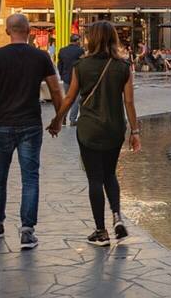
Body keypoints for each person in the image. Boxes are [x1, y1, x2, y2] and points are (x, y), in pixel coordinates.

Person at [0, 13, 64, 251]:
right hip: (30, 124)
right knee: (30, 177)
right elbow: (55, 90)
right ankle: (27, 231)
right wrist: (58, 119)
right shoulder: (41, 56)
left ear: (7, 31)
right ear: (28, 31)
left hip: (1, 124)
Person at [49, 21, 140, 247]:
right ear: (113, 38)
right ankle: (117, 216)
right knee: (110, 174)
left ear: (92, 39)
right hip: (115, 128)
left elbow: (70, 98)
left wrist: (57, 120)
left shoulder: (81, 66)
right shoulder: (123, 66)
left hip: (89, 129)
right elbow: (129, 102)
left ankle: (101, 231)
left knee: (95, 179)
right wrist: (135, 131)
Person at [56, 35, 85, 124]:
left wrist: (62, 75)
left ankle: (63, 118)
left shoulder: (62, 50)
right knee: (76, 99)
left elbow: (59, 65)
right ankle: (72, 119)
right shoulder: (80, 51)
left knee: (67, 98)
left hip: (66, 78)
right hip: (77, 78)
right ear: (77, 41)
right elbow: (82, 64)